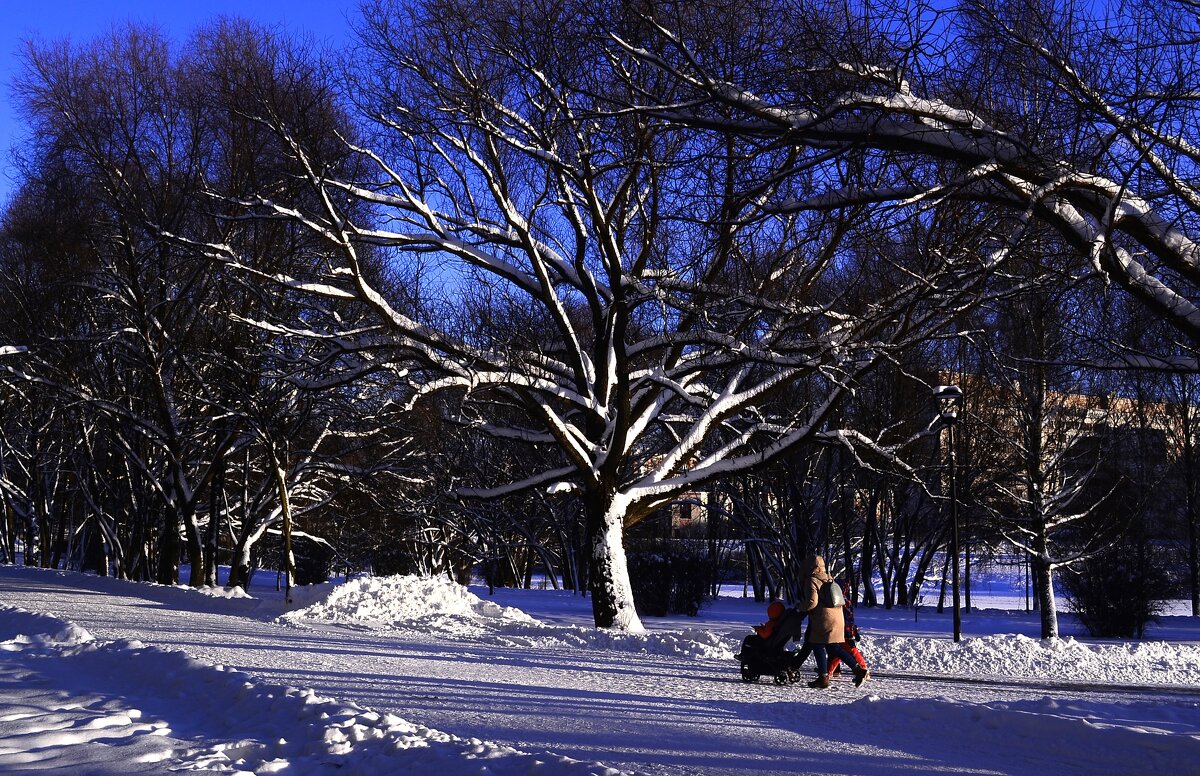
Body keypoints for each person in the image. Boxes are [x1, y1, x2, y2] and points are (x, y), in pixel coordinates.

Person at [800, 555, 868, 689]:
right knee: (834, 648)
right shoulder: (829, 578)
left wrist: (800, 607)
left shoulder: (812, 580)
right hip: (838, 618)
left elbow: (812, 602)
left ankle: (823, 678)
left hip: (823, 620)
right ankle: (858, 670)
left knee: (817, 645)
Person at [825, 578, 870, 684]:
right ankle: (830, 671)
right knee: (839, 651)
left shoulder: (842, 602)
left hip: (844, 632)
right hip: (845, 631)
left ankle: (864, 670)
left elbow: (847, 620)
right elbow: (850, 619)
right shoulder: (843, 600)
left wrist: (850, 634)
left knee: (851, 652)